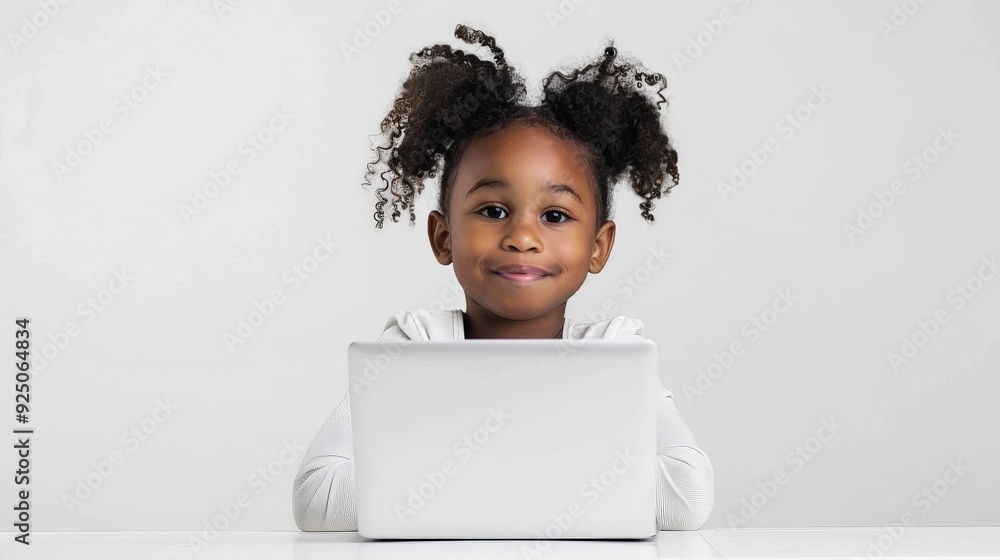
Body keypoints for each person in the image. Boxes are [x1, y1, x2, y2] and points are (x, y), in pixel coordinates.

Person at [293, 23, 714, 532]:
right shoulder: (414, 345)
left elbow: (686, 497)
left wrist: (439, 485)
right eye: (492, 210)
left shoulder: (615, 350)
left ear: (598, 247)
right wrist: (569, 484)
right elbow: (318, 497)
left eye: (555, 216)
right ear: (443, 237)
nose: (522, 236)